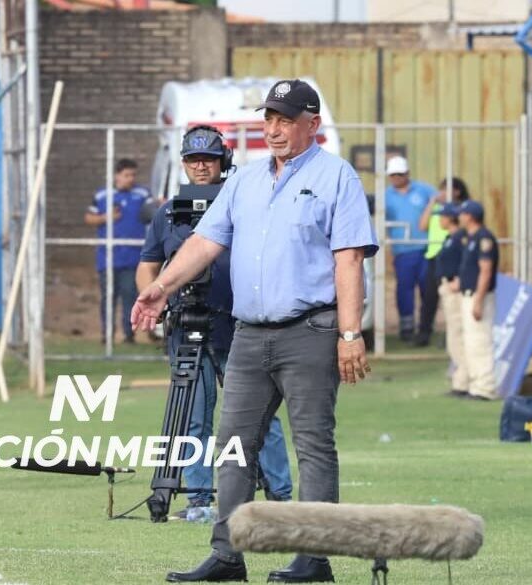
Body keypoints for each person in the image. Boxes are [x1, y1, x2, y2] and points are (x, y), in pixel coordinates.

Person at [133, 79, 377, 584]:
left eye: (285, 120)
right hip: (248, 333)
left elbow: (348, 258)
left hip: (310, 328)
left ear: (312, 124)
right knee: (233, 445)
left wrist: (350, 335)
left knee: (313, 444)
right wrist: (162, 286)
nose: (274, 129)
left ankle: (314, 559)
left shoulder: (337, 177)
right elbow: (204, 242)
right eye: (268, 119)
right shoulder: (243, 181)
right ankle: (228, 553)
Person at [136, 126, 293, 523]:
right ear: (184, 165)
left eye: (208, 159)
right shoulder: (169, 212)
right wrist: (155, 299)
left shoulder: (245, 200)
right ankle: (199, 499)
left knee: (259, 413)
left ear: (223, 162)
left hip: (240, 325)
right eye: (193, 160)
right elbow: (148, 267)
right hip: (186, 324)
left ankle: (280, 496)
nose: (201, 166)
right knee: (193, 417)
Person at [86, 158, 149, 345]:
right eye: (127, 175)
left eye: (133, 175)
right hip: (108, 257)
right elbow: (89, 218)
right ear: (116, 176)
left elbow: (153, 210)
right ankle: (107, 335)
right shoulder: (102, 195)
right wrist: (107, 217)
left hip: (133, 256)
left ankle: (129, 336)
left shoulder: (143, 194)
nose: (131, 179)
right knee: (108, 297)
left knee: (130, 294)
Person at [383, 155, 436, 342]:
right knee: (404, 289)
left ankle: (425, 328)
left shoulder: (424, 190)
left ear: (407, 173)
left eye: (400, 174)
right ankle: (406, 327)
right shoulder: (386, 196)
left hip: (426, 248)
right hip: (402, 250)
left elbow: (440, 202)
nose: (396, 178)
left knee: (427, 289)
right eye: (393, 175)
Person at [414, 177, 470, 347]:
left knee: (454, 297)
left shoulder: (463, 209)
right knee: (429, 297)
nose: (443, 193)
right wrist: (432, 203)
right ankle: (424, 333)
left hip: (453, 256)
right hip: (434, 256)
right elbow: (422, 226)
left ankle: (451, 335)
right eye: (442, 189)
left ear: (457, 191)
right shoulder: (438, 209)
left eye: (447, 190)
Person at [452, 200, 498, 401]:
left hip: (477, 296)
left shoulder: (483, 238)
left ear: (470, 216)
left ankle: (484, 388)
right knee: (470, 343)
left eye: (462, 214)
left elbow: (485, 271)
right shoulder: (470, 238)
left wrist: (478, 300)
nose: (459, 217)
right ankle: (474, 385)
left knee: (479, 342)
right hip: (467, 295)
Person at [436, 203, 469, 396]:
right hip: (447, 286)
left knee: (457, 335)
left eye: (443, 216)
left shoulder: (459, 238)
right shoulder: (450, 237)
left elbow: (465, 262)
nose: (440, 220)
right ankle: (460, 377)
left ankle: (463, 381)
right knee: (453, 335)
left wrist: (459, 280)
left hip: (455, 289)